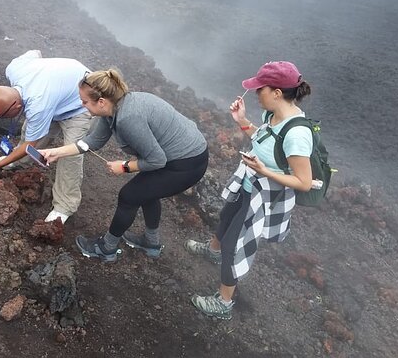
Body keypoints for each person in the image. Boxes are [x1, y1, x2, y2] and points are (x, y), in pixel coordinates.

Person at [185, 61, 313, 320]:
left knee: (234, 244)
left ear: (277, 92)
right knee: (225, 219)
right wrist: (241, 121)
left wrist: (264, 171)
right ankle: (212, 252)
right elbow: (263, 139)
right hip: (248, 184)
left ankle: (224, 303)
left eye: (260, 89)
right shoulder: (273, 115)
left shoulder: (297, 134)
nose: (256, 94)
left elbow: (304, 182)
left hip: (262, 197)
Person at [39, 69, 209, 263]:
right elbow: (92, 142)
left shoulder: (129, 118)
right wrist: (55, 152)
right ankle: (150, 242)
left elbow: (156, 161)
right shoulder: (112, 109)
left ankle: (107, 248)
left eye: (85, 102)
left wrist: (125, 167)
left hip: (187, 163)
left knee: (129, 196)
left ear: (101, 101)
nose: (82, 105)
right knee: (146, 192)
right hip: (177, 155)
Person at [0, 49, 92, 224]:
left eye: (3, 116)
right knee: (32, 130)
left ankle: (64, 207)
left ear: (16, 107)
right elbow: (35, 52)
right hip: (58, 94)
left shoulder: (39, 104)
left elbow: (29, 143)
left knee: (71, 154)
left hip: (80, 105)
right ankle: (18, 161)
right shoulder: (14, 69)